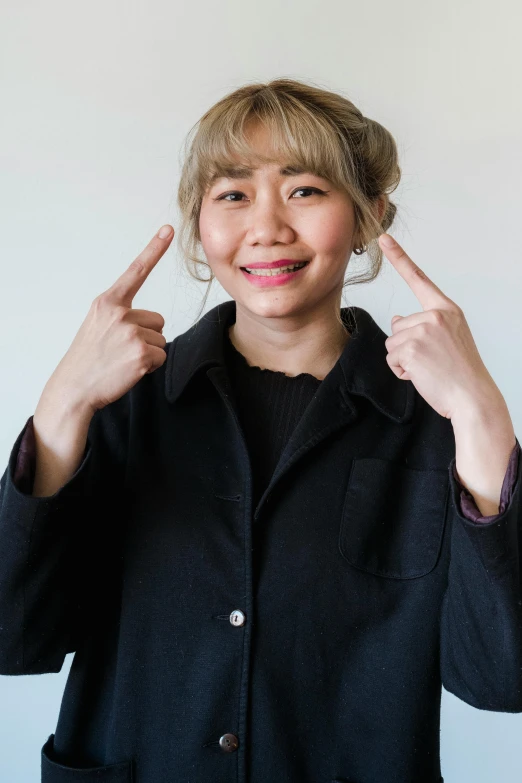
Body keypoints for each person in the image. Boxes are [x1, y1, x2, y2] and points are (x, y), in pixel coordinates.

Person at [0, 78, 520, 783]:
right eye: (233, 194)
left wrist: (485, 416)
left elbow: (502, 677)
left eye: (304, 190)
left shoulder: (436, 423)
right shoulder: (122, 404)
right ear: (199, 222)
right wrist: (60, 406)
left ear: (368, 215)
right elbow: (13, 636)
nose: (267, 227)